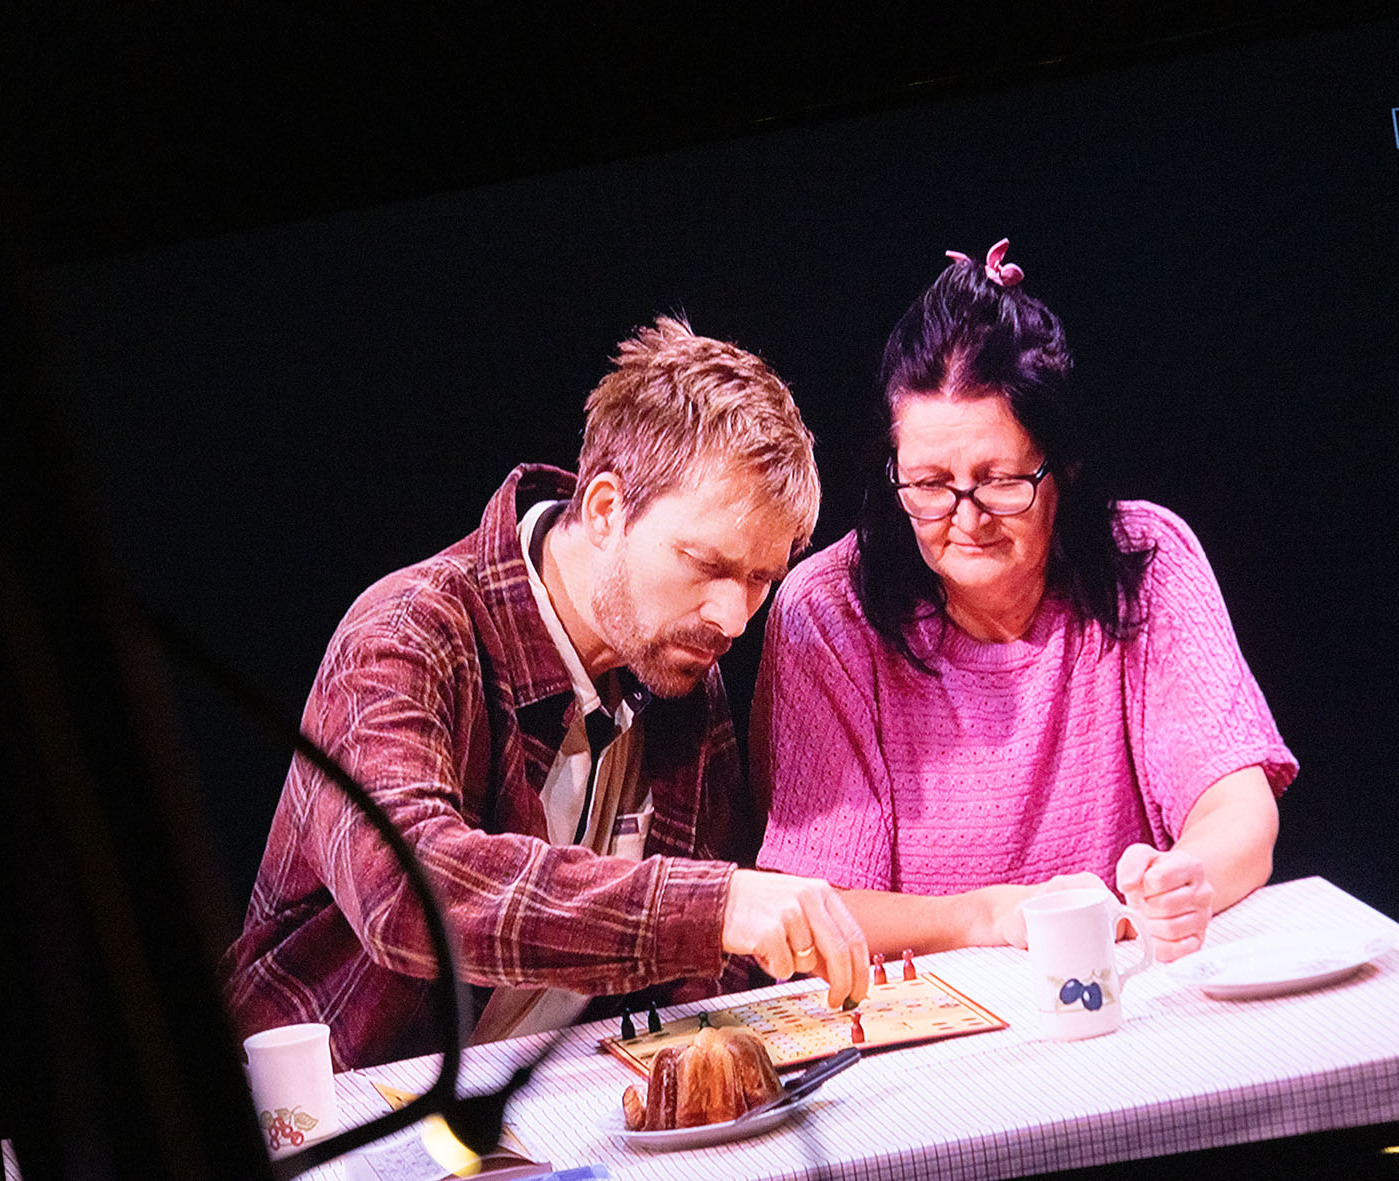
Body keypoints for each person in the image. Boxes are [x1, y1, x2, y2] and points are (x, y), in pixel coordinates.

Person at [223, 317, 872, 1070]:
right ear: (603, 510)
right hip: (340, 1114)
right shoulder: (407, 633)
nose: (733, 615)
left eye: (761, 579)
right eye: (705, 563)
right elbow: (408, 893)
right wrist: (713, 904)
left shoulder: (680, 662)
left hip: (552, 1106)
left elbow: (702, 974)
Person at [753, 241, 1297, 962]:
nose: (967, 517)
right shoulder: (828, 611)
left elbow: (1237, 804)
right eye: (929, 483)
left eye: (1002, 480)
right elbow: (814, 908)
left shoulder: (1148, 558)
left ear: (1062, 468)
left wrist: (1184, 877)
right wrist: (989, 916)